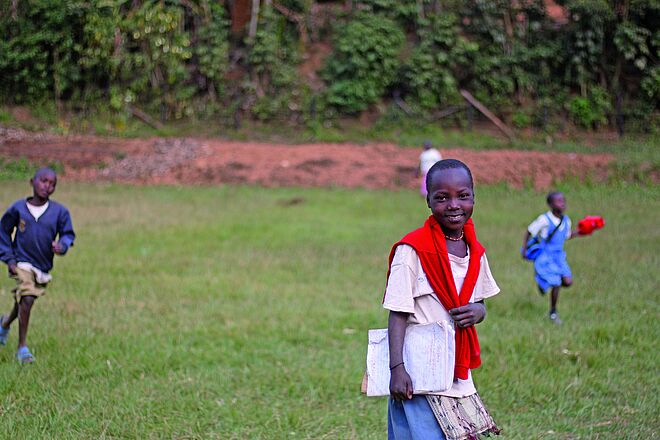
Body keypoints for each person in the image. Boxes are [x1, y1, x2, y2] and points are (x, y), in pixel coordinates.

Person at [384, 159, 500, 440]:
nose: (453, 205)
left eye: (463, 196)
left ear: (473, 197)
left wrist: (477, 312)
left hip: (457, 370)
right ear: (428, 201)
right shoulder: (411, 251)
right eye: (442, 197)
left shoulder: (475, 252)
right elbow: (398, 313)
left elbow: (480, 302)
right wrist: (397, 368)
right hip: (419, 370)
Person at [0, 167, 75, 363]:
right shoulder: (18, 209)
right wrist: (9, 259)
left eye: (52, 184)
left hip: (42, 266)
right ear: (32, 182)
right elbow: (3, 231)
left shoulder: (59, 212)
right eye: (43, 181)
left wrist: (62, 246)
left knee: (24, 300)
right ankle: (22, 348)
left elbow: (68, 234)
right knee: (28, 298)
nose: (47, 186)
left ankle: (5, 324)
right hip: (21, 262)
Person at [522, 191, 583, 325]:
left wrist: (579, 232)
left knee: (567, 281)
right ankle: (553, 312)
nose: (562, 203)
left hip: (559, 257)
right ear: (550, 204)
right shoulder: (544, 219)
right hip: (546, 256)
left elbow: (566, 235)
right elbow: (530, 230)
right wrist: (524, 249)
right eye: (558, 201)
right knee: (556, 283)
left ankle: (543, 283)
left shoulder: (566, 220)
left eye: (563, 200)